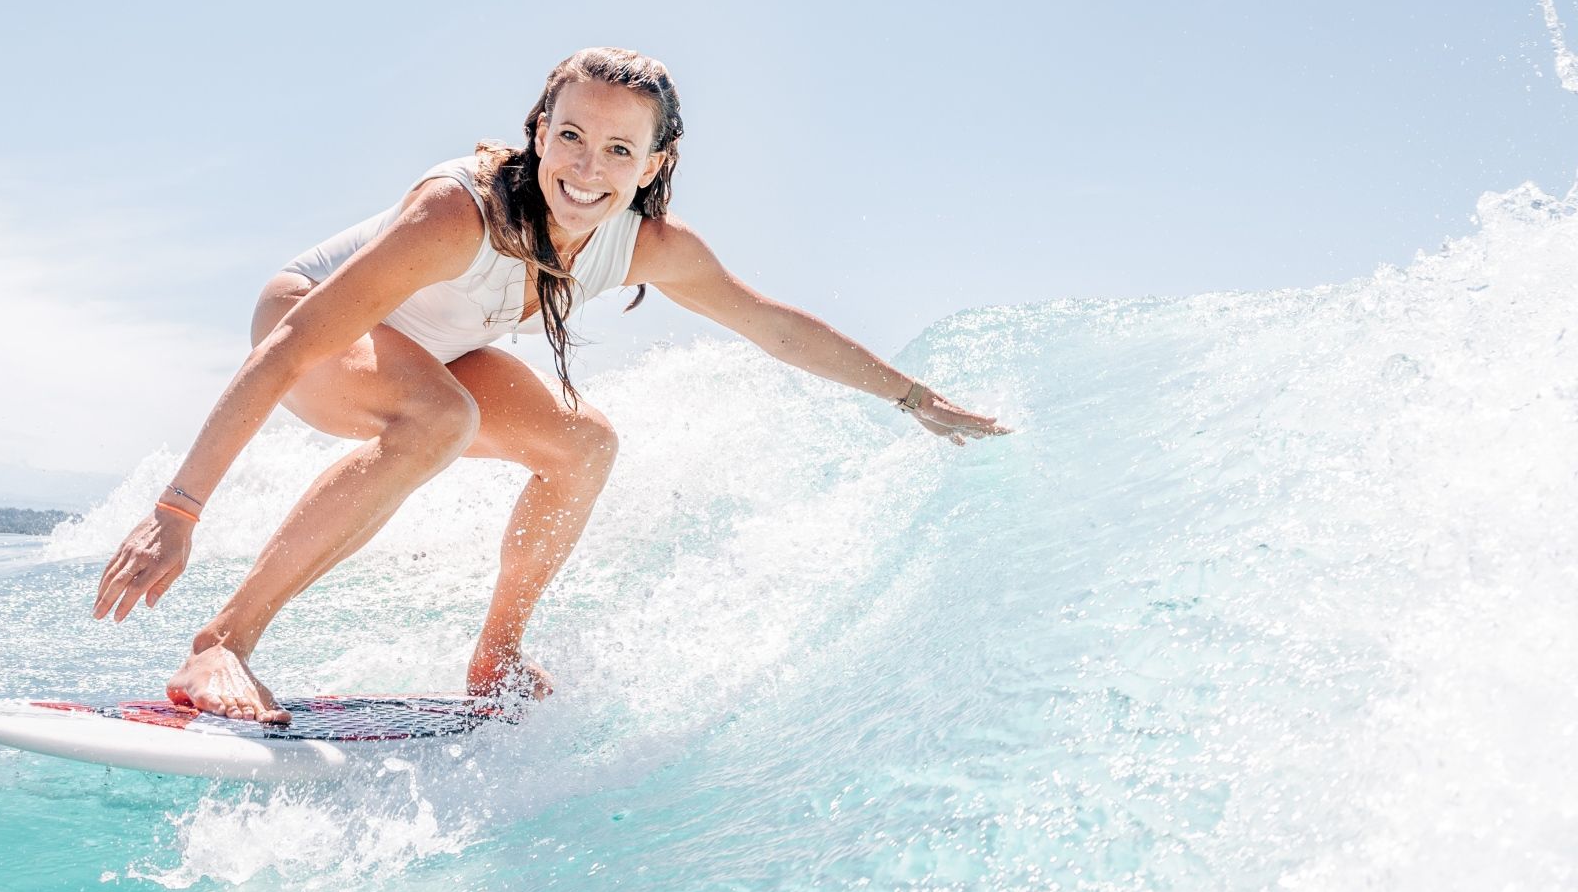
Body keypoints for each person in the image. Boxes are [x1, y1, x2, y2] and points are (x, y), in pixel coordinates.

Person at [92, 47, 1008, 721]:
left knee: (583, 446)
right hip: (312, 322)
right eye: (569, 135)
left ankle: (495, 656)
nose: (585, 167)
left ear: (652, 167)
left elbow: (772, 325)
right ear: (539, 133)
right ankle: (222, 643)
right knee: (438, 421)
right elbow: (293, 342)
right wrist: (178, 511)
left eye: (618, 150)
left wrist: (912, 398)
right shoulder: (460, 214)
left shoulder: (649, 246)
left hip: (433, 350)